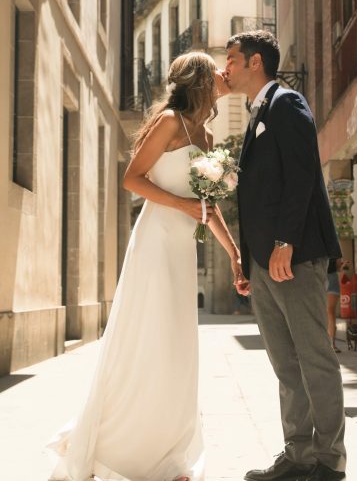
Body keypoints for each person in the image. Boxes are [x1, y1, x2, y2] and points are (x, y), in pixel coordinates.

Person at [47, 52, 244, 481]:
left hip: (182, 250)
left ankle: (171, 453)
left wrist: (234, 256)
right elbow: (133, 179)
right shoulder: (170, 122)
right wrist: (181, 205)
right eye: (215, 70)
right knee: (148, 339)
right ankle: (122, 447)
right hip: (155, 241)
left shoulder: (208, 139)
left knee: (177, 346)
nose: (222, 74)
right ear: (199, 80)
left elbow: (208, 208)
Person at [225, 31, 347, 481]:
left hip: (294, 256)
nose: (227, 69)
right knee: (284, 362)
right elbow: (258, 195)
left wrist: (284, 243)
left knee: (314, 357)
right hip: (263, 262)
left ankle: (329, 460)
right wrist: (247, 260)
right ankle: (298, 455)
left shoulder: (286, 103)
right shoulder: (256, 111)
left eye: (232, 60)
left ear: (255, 62)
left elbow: (302, 177)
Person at [327, 259, 348, 353]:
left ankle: (328, 344)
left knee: (325, 312)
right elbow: (341, 268)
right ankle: (331, 344)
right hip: (331, 279)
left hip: (321, 278)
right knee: (330, 312)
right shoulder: (332, 247)